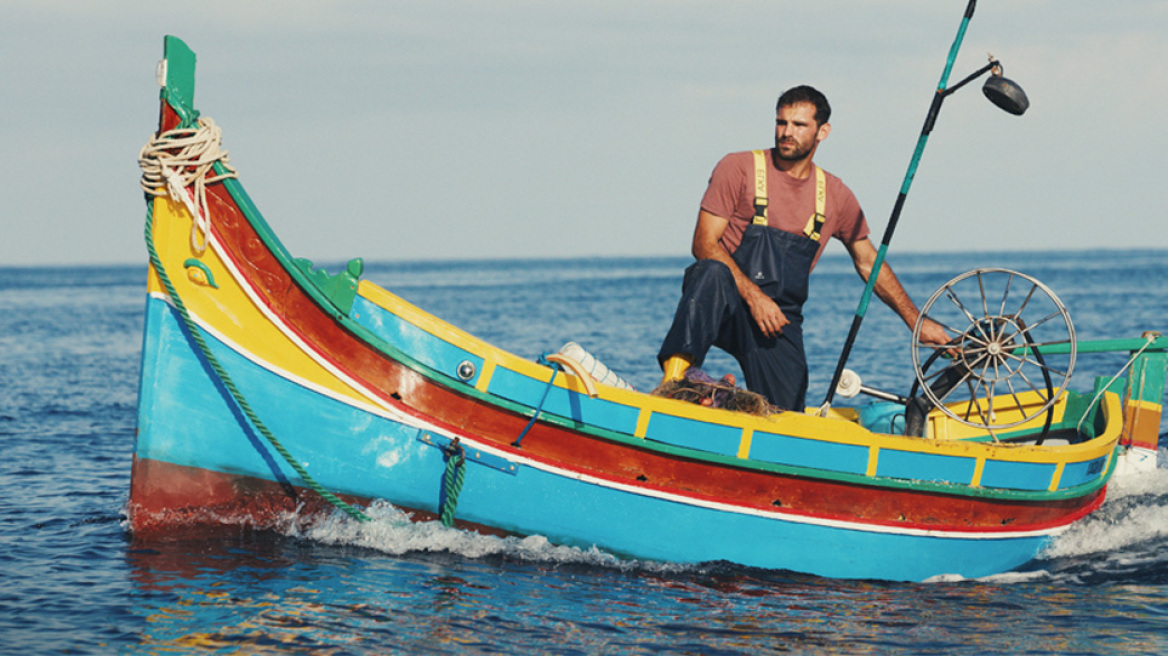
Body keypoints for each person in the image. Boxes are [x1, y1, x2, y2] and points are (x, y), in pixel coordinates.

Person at [657, 85, 947, 411]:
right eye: (782, 123)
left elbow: (869, 262)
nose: (787, 133)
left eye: (798, 125)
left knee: (785, 414)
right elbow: (703, 244)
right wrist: (755, 297)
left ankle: (725, 396)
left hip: (778, 319)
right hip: (728, 301)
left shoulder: (835, 195)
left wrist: (915, 320)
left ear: (823, 131)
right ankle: (673, 388)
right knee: (709, 273)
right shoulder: (738, 168)